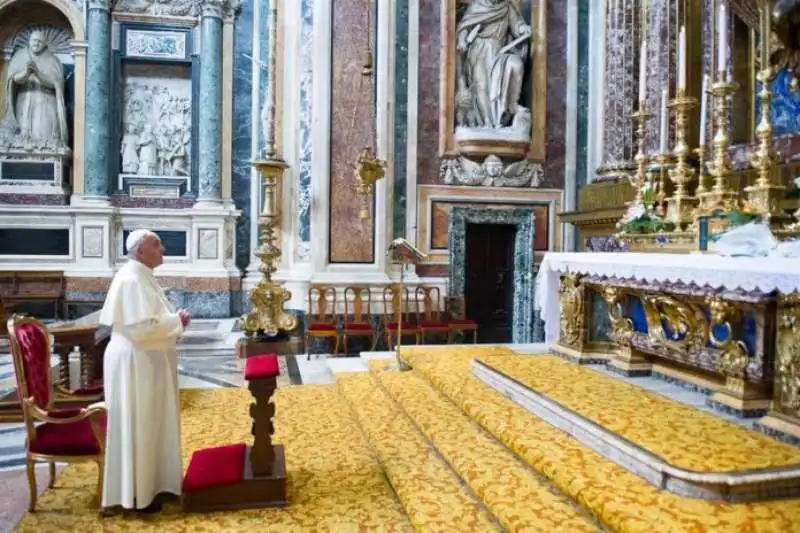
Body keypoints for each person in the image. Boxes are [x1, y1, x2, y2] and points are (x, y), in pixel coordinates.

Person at [99, 229, 192, 514]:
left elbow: (150, 319)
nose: (163, 248)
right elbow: (140, 329)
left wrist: (174, 321)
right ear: (140, 251)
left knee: (151, 422)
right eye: (156, 244)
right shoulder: (130, 279)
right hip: (134, 361)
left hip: (146, 360)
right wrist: (175, 321)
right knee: (139, 423)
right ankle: (136, 495)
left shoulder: (141, 275)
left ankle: (153, 486)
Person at [2, 29, 69, 146]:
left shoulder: (52, 60)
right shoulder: (20, 56)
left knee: (43, 136)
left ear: (44, 44)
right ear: (29, 41)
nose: (36, 43)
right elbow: (13, 79)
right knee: (22, 137)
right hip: (24, 99)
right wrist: (26, 73)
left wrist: (38, 73)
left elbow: (57, 83)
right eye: (34, 40)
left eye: (39, 41)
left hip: (45, 101)